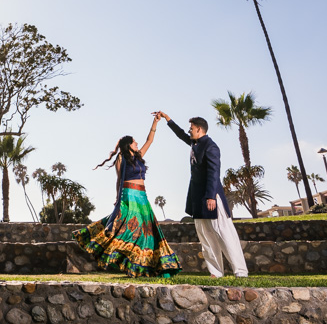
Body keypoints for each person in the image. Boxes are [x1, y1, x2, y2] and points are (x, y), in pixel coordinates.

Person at [73, 112, 182, 278]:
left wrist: (155, 123)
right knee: (127, 228)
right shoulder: (121, 159)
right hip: (129, 195)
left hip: (142, 197)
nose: (137, 144)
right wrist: (118, 198)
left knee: (148, 231)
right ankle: (121, 256)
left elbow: (149, 141)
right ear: (128, 145)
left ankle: (147, 266)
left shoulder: (139, 156)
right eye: (134, 142)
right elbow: (119, 180)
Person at [156, 111, 248, 278]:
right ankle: (216, 272)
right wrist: (167, 119)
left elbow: (214, 172)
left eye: (191, 128)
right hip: (197, 197)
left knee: (224, 233)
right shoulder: (195, 143)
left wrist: (211, 196)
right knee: (205, 236)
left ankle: (240, 272)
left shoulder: (211, 146)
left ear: (199, 129)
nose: (189, 131)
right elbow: (180, 134)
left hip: (212, 196)